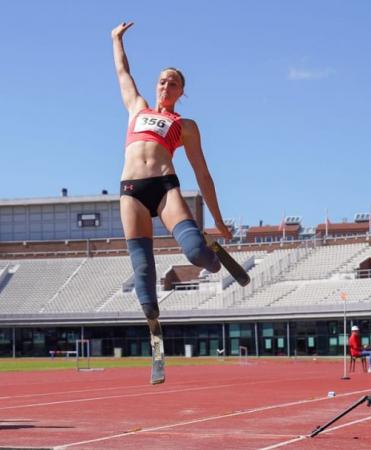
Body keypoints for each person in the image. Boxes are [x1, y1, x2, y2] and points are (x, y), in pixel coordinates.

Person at [112, 22, 233, 385]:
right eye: (163, 81)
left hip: (165, 187)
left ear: (182, 92)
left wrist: (219, 221)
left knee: (195, 253)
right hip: (131, 189)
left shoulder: (186, 125)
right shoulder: (136, 108)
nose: (166, 85)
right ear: (156, 86)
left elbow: (204, 175)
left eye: (174, 82)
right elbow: (122, 71)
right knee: (143, 275)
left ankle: (213, 255)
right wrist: (115, 39)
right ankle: (154, 328)